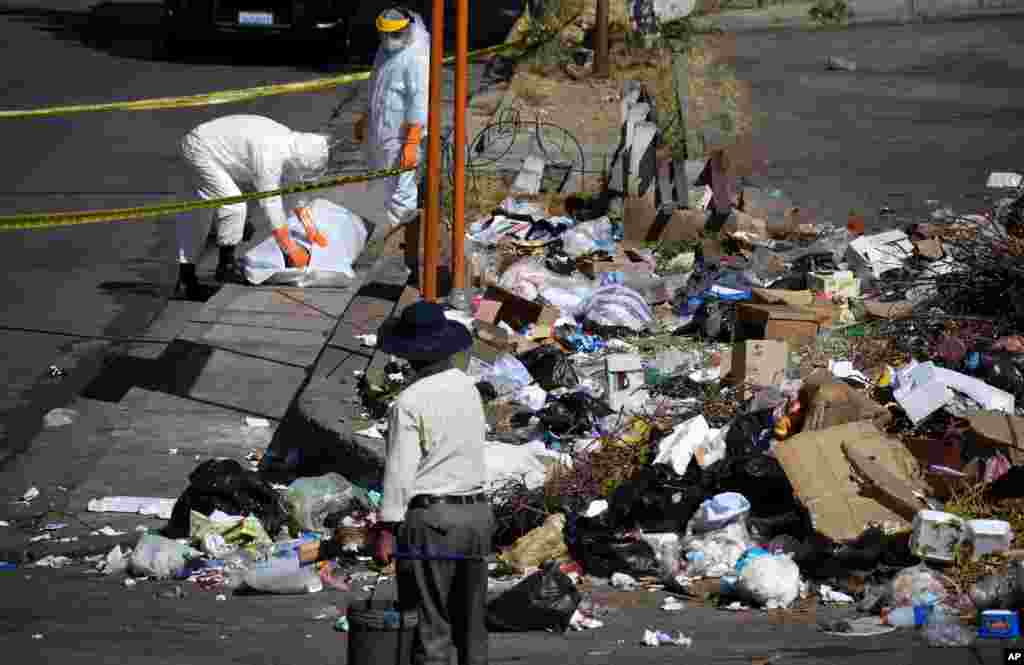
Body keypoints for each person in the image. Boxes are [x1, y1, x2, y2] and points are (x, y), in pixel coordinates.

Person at [371, 300, 493, 665]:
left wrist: (388, 528)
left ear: (408, 354)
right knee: (472, 621)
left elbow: (399, 471)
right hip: (478, 516)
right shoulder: (467, 388)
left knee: (431, 621)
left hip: (434, 522)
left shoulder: (408, 401)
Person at [175, 114, 332, 300]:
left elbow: (295, 192)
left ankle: (187, 279)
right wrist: (290, 248)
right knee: (234, 206)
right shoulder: (270, 155)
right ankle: (225, 267)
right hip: (201, 149)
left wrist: (311, 230)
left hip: (213, 148)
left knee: (201, 213)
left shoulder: (291, 145)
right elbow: (270, 203)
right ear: (300, 162)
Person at [352, 7, 430, 267]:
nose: (388, 39)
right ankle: (389, 238)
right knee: (384, 188)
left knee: (401, 191)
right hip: (381, 130)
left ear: (407, 30)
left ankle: (402, 252)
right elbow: (376, 85)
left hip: (402, 136)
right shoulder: (385, 51)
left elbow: (419, 100)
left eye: (394, 34)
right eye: (384, 34)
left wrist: (411, 142)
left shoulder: (417, 56)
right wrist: (366, 117)